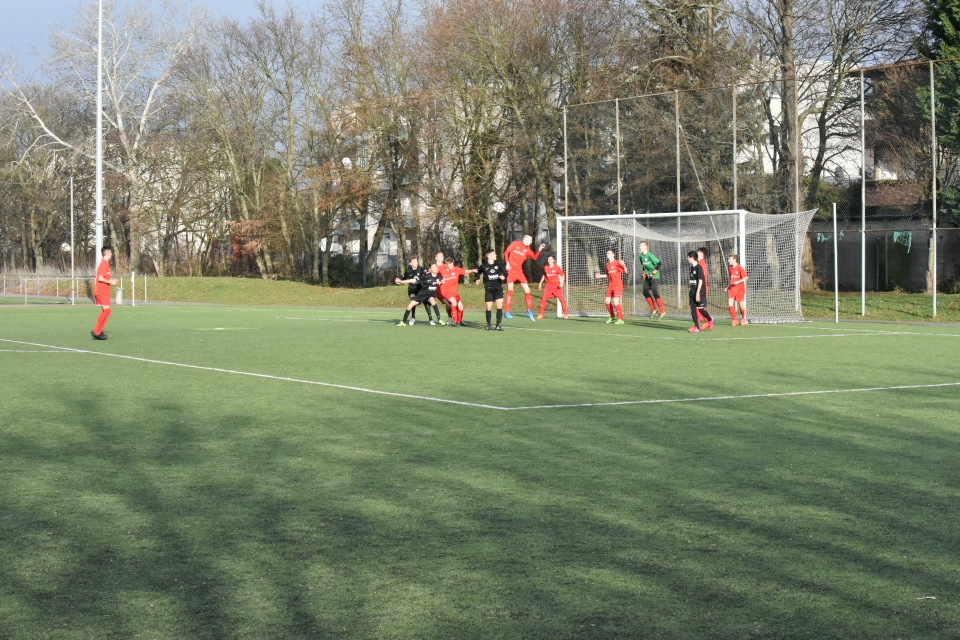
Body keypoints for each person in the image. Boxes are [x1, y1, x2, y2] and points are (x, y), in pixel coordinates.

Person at [503, 234, 545, 321]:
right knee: (510, 290)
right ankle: (507, 312)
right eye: (530, 240)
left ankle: (529, 311)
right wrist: (507, 263)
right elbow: (506, 252)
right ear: (526, 239)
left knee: (527, 290)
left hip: (519, 272)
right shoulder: (515, 243)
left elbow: (535, 257)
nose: (531, 242)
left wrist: (540, 249)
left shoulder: (528, 249)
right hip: (511, 270)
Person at [438, 257, 477, 326]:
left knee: (461, 307)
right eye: (449, 265)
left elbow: (465, 271)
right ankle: (454, 321)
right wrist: (439, 281)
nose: (451, 266)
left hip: (454, 292)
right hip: (445, 291)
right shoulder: (442, 270)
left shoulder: (456, 269)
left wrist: (472, 270)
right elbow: (434, 274)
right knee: (453, 302)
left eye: (452, 264)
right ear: (446, 265)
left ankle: (459, 322)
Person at [91, 245, 119, 340]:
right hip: (101, 291)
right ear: (107, 253)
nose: (112, 254)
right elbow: (100, 278)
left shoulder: (106, 264)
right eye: (111, 252)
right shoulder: (104, 264)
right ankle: (97, 331)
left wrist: (111, 281)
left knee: (106, 311)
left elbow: (103, 277)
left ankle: (98, 330)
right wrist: (111, 281)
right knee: (107, 311)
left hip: (103, 291)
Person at [475, 248, 507, 330]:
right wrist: (477, 279)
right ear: (489, 256)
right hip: (489, 289)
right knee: (489, 307)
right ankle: (489, 325)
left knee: (499, 306)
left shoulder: (499, 264)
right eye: (494, 254)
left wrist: (503, 276)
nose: (496, 255)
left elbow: (506, 273)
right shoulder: (484, 266)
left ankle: (498, 325)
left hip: (498, 288)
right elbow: (478, 272)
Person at [594, 248, 627, 324]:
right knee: (607, 301)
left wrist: (624, 265)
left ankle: (621, 319)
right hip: (611, 285)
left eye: (609, 253)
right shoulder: (607, 265)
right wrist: (600, 276)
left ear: (613, 254)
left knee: (616, 301)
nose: (607, 254)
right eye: (607, 253)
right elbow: (607, 275)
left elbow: (625, 271)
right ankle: (612, 316)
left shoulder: (617, 263)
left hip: (618, 285)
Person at [395, 256, 429, 325]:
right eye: (414, 261)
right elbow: (404, 278)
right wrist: (398, 279)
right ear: (411, 263)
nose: (416, 263)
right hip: (412, 290)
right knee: (413, 301)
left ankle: (430, 319)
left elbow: (428, 275)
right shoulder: (408, 271)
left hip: (420, 290)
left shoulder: (421, 269)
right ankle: (413, 317)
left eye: (416, 261)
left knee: (426, 302)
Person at [687, 250, 714, 333]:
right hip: (692, 292)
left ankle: (710, 319)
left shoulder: (699, 267)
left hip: (700, 292)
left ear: (692, 258)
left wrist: (698, 293)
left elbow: (700, 281)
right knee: (693, 309)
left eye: (688, 257)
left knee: (701, 309)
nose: (687, 259)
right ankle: (697, 327)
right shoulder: (691, 267)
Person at [638, 241, 666, 318]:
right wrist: (644, 273)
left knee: (655, 291)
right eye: (640, 246)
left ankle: (662, 311)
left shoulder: (650, 255)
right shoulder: (641, 256)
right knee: (645, 292)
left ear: (646, 247)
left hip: (655, 276)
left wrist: (653, 273)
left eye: (641, 246)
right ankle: (654, 309)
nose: (640, 247)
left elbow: (659, 264)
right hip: (647, 276)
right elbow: (644, 266)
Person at [537, 255, 569, 319]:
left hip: (557, 286)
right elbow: (544, 275)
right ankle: (541, 314)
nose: (549, 260)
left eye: (551, 259)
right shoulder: (546, 267)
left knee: (562, 299)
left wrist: (561, 283)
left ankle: (566, 314)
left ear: (553, 260)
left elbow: (562, 275)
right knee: (543, 299)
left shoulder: (557, 267)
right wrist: (540, 283)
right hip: (549, 286)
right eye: (548, 259)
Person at [727, 254, 750, 326]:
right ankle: (735, 320)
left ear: (734, 260)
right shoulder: (730, 268)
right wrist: (728, 287)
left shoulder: (739, 267)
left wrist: (738, 281)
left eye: (730, 259)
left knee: (741, 305)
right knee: (730, 304)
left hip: (740, 289)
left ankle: (743, 318)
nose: (729, 261)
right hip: (732, 289)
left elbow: (746, 277)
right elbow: (731, 279)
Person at [697, 247, 711, 327]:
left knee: (699, 307)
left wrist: (699, 289)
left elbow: (702, 277)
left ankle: (707, 321)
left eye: (698, 252)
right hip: (702, 288)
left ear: (701, 254)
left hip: (702, 288)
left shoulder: (701, 264)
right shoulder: (701, 263)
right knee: (699, 307)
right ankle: (707, 322)